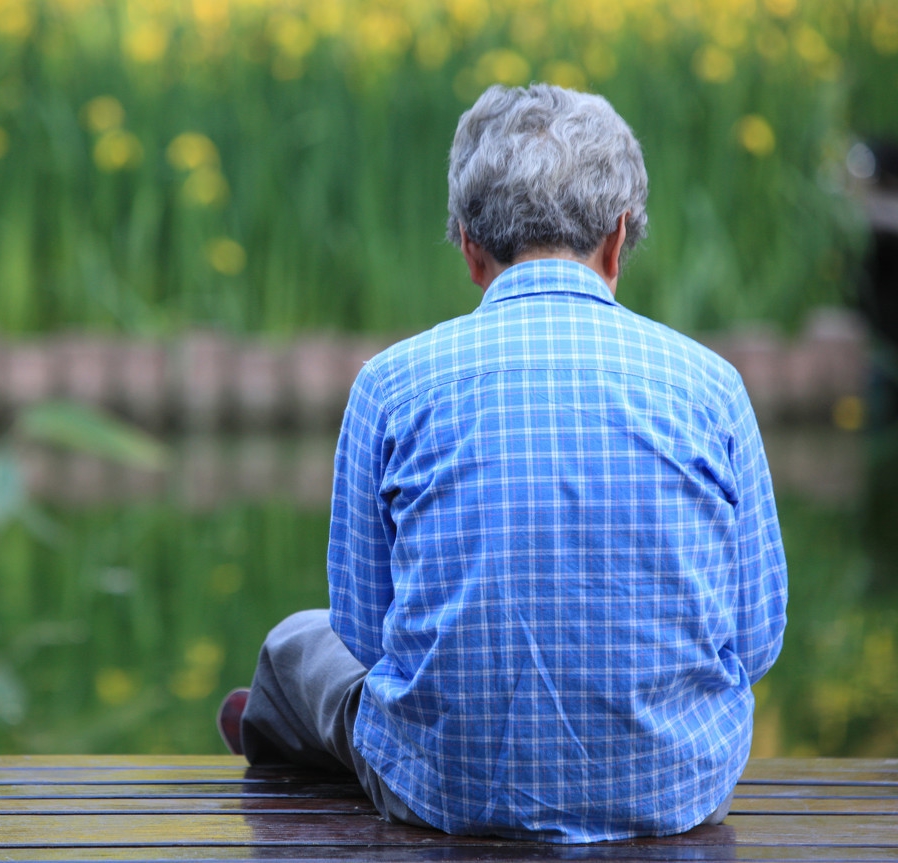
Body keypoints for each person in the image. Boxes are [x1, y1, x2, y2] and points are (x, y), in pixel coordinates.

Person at [216, 83, 788, 843]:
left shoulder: (390, 384)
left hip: (446, 790)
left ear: (469, 248)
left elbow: (364, 631)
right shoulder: (714, 387)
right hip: (675, 786)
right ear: (619, 240)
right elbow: (755, 639)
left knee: (298, 645)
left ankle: (285, 735)